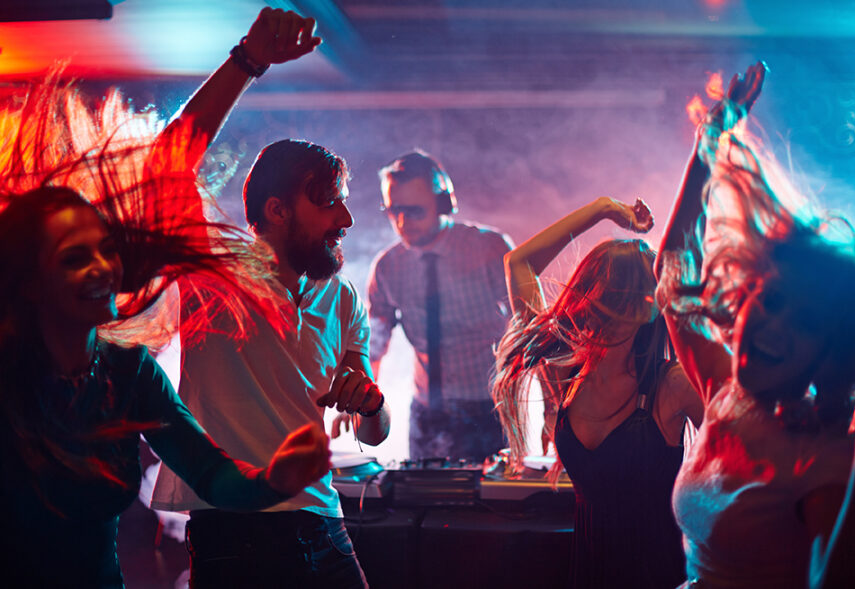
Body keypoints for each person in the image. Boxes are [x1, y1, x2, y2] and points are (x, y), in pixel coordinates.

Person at [0, 44, 332, 589]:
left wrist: (274, 480)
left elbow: (211, 474)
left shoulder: (127, 373)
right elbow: (173, 156)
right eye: (74, 259)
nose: (102, 268)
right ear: (30, 284)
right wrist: (246, 59)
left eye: (104, 248)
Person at [150, 9, 390, 588]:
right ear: (277, 211)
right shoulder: (216, 273)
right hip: (235, 529)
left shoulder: (342, 295)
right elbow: (164, 165)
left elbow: (372, 427)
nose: (348, 218)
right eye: (328, 201)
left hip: (324, 524)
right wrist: (247, 61)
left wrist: (370, 401)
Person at [656, 62, 855, 588]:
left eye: (807, 322)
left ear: (829, 351)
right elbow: (674, 269)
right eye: (771, 300)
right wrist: (711, 141)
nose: (772, 327)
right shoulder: (724, 394)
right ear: (743, 298)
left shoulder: (821, 449)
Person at [492, 196, 702, 588]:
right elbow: (518, 263)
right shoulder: (564, 373)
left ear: (649, 305)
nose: (611, 309)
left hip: (664, 575)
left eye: (626, 297)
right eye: (606, 294)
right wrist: (604, 209)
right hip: (589, 573)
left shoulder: (671, 384)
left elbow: (740, 466)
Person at [359, 150, 513, 460]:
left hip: (489, 408)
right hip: (427, 412)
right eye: (394, 211)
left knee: (494, 505)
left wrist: (547, 406)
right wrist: (361, 402)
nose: (403, 222)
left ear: (445, 204)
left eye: (415, 211)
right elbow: (373, 343)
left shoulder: (488, 248)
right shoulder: (388, 267)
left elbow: (528, 325)